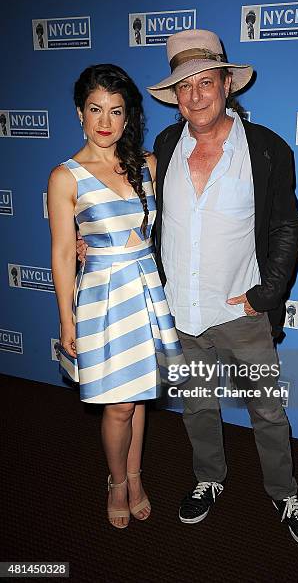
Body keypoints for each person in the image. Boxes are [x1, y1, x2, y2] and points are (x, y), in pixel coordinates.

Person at [147, 29, 298, 549]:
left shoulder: (266, 148)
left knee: (267, 409)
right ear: (175, 97)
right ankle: (209, 478)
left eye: (206, 81)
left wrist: (265, 293)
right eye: (184, 86)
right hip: (181, 310)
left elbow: (288, 225)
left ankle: (283, 493)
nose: (195, 95)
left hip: (241, 310)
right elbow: (145, 216)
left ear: (227, 85)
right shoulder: (163, 147)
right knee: (198, 403)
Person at [48, 64, 184, 529]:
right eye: (95, 109)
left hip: (145, 290)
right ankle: (116, 481)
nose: (105, 121)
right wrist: (67, 321)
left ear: (128, 118)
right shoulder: (66, 177)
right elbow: (64, 253)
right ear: (79, 113)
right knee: (118, 403)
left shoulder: (145, 165)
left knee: (139, 396)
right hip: (103, 299)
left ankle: (135, 474)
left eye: (116, 111)